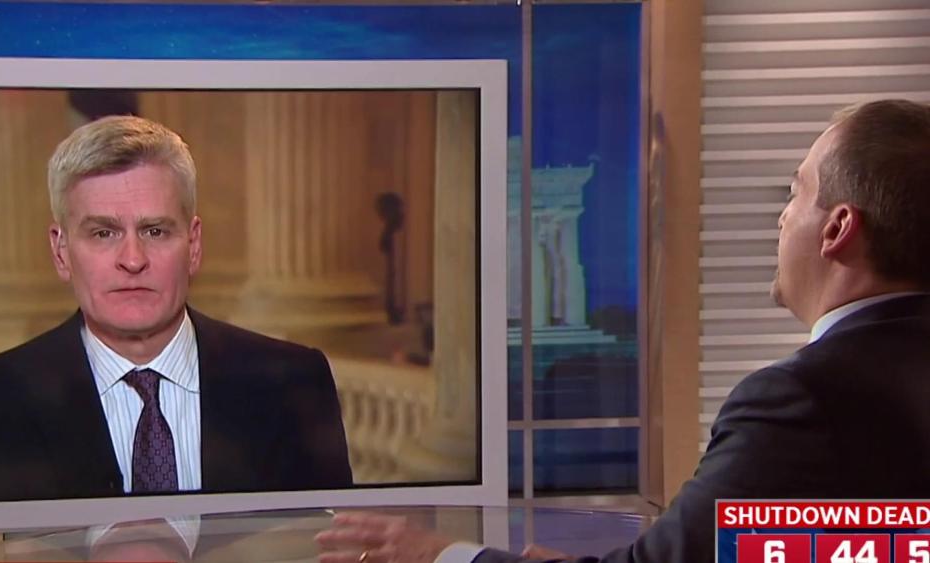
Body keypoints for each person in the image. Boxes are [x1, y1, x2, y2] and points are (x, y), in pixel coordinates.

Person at [315, 99, 930, 562]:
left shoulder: (800, 401)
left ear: (836, 229)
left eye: (795, 194)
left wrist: (440, 555)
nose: (781, 218)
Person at [0, 115, 353, 503]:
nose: (133, 260)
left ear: (193, 246)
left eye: (155, 231)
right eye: (103, 233)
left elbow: (329, 543)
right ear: (61, 252)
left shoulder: (294, 384)